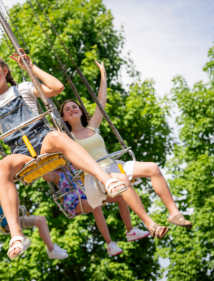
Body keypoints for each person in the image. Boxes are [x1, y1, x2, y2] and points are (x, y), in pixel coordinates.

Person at [0, 50, 165, 260]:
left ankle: (107, 180)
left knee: (57, 135)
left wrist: (31, 68)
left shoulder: (23, 88)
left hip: (43, 140)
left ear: (4, 70)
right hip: (20, 152)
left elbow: (57, 88)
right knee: (1, 166)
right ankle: (17, 235)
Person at [60, 60, 193, 233]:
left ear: (80, 110)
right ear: (63, 118)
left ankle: (174, 213)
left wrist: (103, 76)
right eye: (67, 109)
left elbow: (101, 101)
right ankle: (149, 224)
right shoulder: (67, 138)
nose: (72, 109)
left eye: (74, 107)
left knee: (152, 168)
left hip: (113, 166)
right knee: (121, 179)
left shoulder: (92, 126)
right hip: (95, 177)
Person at [44, 168, 150, 256]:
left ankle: (130, 231)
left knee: (120, 197)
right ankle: (110, 244)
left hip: (87, 193)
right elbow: (46, 176)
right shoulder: (55, 174)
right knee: (96, 206)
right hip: (74, 200)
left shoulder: (72, 166)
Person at [0, 176, 68, 260]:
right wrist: (9, 191)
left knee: (42, 218)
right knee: (39, 221)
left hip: (14, 220)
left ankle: (52, 246)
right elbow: (4, 203)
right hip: (7, 224)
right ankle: (51, 250)